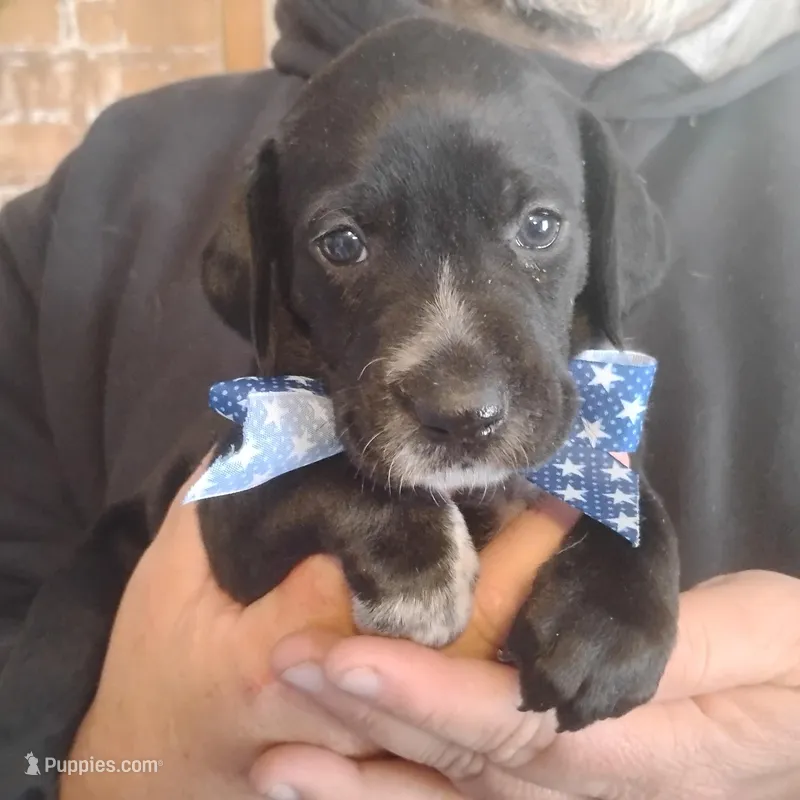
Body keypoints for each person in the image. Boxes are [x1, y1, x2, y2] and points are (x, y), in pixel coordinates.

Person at [0, 0, 798, 797]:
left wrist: (628, 583)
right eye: (344, 243)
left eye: (538, 227)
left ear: (601, 240)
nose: (460, 385)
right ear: (275, 279)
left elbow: (611, 508)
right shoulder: (105, 193)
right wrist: (113, 765)